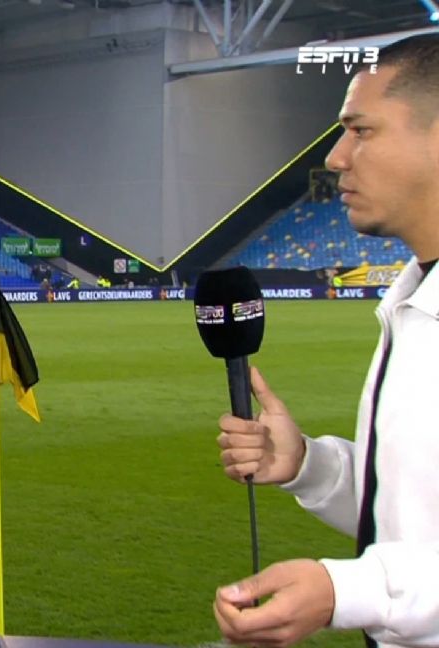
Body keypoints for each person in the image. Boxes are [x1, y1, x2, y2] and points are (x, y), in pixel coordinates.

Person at [214, 34, 439, 648]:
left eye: (361, 131)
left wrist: (347, 589)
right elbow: (411, 514)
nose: (336, 158)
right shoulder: (413, 297)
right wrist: (308, 466)